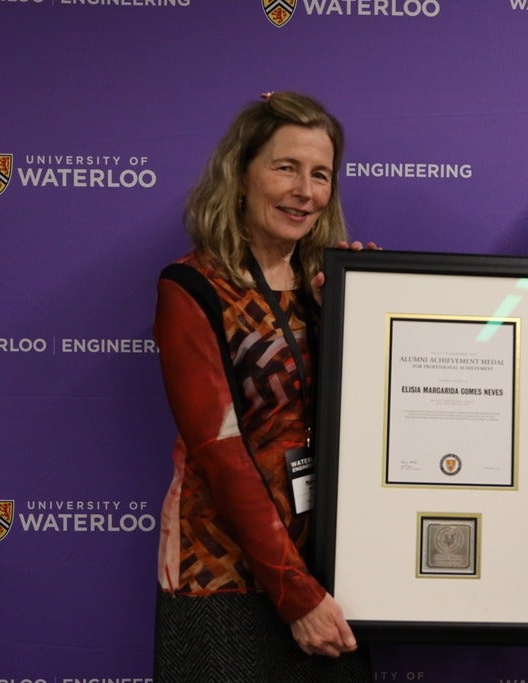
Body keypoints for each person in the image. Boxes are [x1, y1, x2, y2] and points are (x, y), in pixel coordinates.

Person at [151, 91, 372, 682]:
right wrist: (294, 595)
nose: (305, 190)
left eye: (320, 175)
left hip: (332, 568)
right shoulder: (191, 287)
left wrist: (370, 310)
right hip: (224, 572)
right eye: (285, 168)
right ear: (241, 176)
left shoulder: (329, 284)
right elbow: (219, 453)